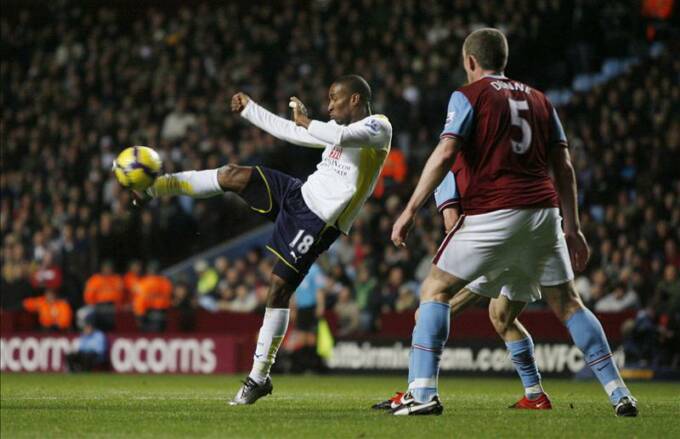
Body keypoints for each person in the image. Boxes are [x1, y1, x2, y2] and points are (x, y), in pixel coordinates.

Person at [390, 28, 637, 416]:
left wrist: (408, 211)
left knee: (434, 289)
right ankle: (619, 393)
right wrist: (572, 228)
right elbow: (565, 167)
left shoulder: (467, 95)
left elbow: (446, 153)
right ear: (503, 59)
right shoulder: (541, 100)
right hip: (543, 213)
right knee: (568, 303)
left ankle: (422, 394)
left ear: (469, 61)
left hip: (495, 210)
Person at [138, 74, 392, 404]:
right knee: (232, 174)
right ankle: (154, 187)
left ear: (355, 99)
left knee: (278, 286)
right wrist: (251, 111)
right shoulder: (332, 130)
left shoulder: (378, 127)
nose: (329, 105)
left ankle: (259, 376)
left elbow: (338, 133)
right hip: (298, 193)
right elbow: (295, 133)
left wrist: (307, 121)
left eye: (334, 98)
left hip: (320, 220)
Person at [374, 170, 552, 411]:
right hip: (527, 237)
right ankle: (535, 395)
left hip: (488, 245)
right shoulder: (491, 159)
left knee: (424, 313)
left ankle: (417, 392)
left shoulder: (450, 167)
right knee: (502, 317)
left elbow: (452, 223)